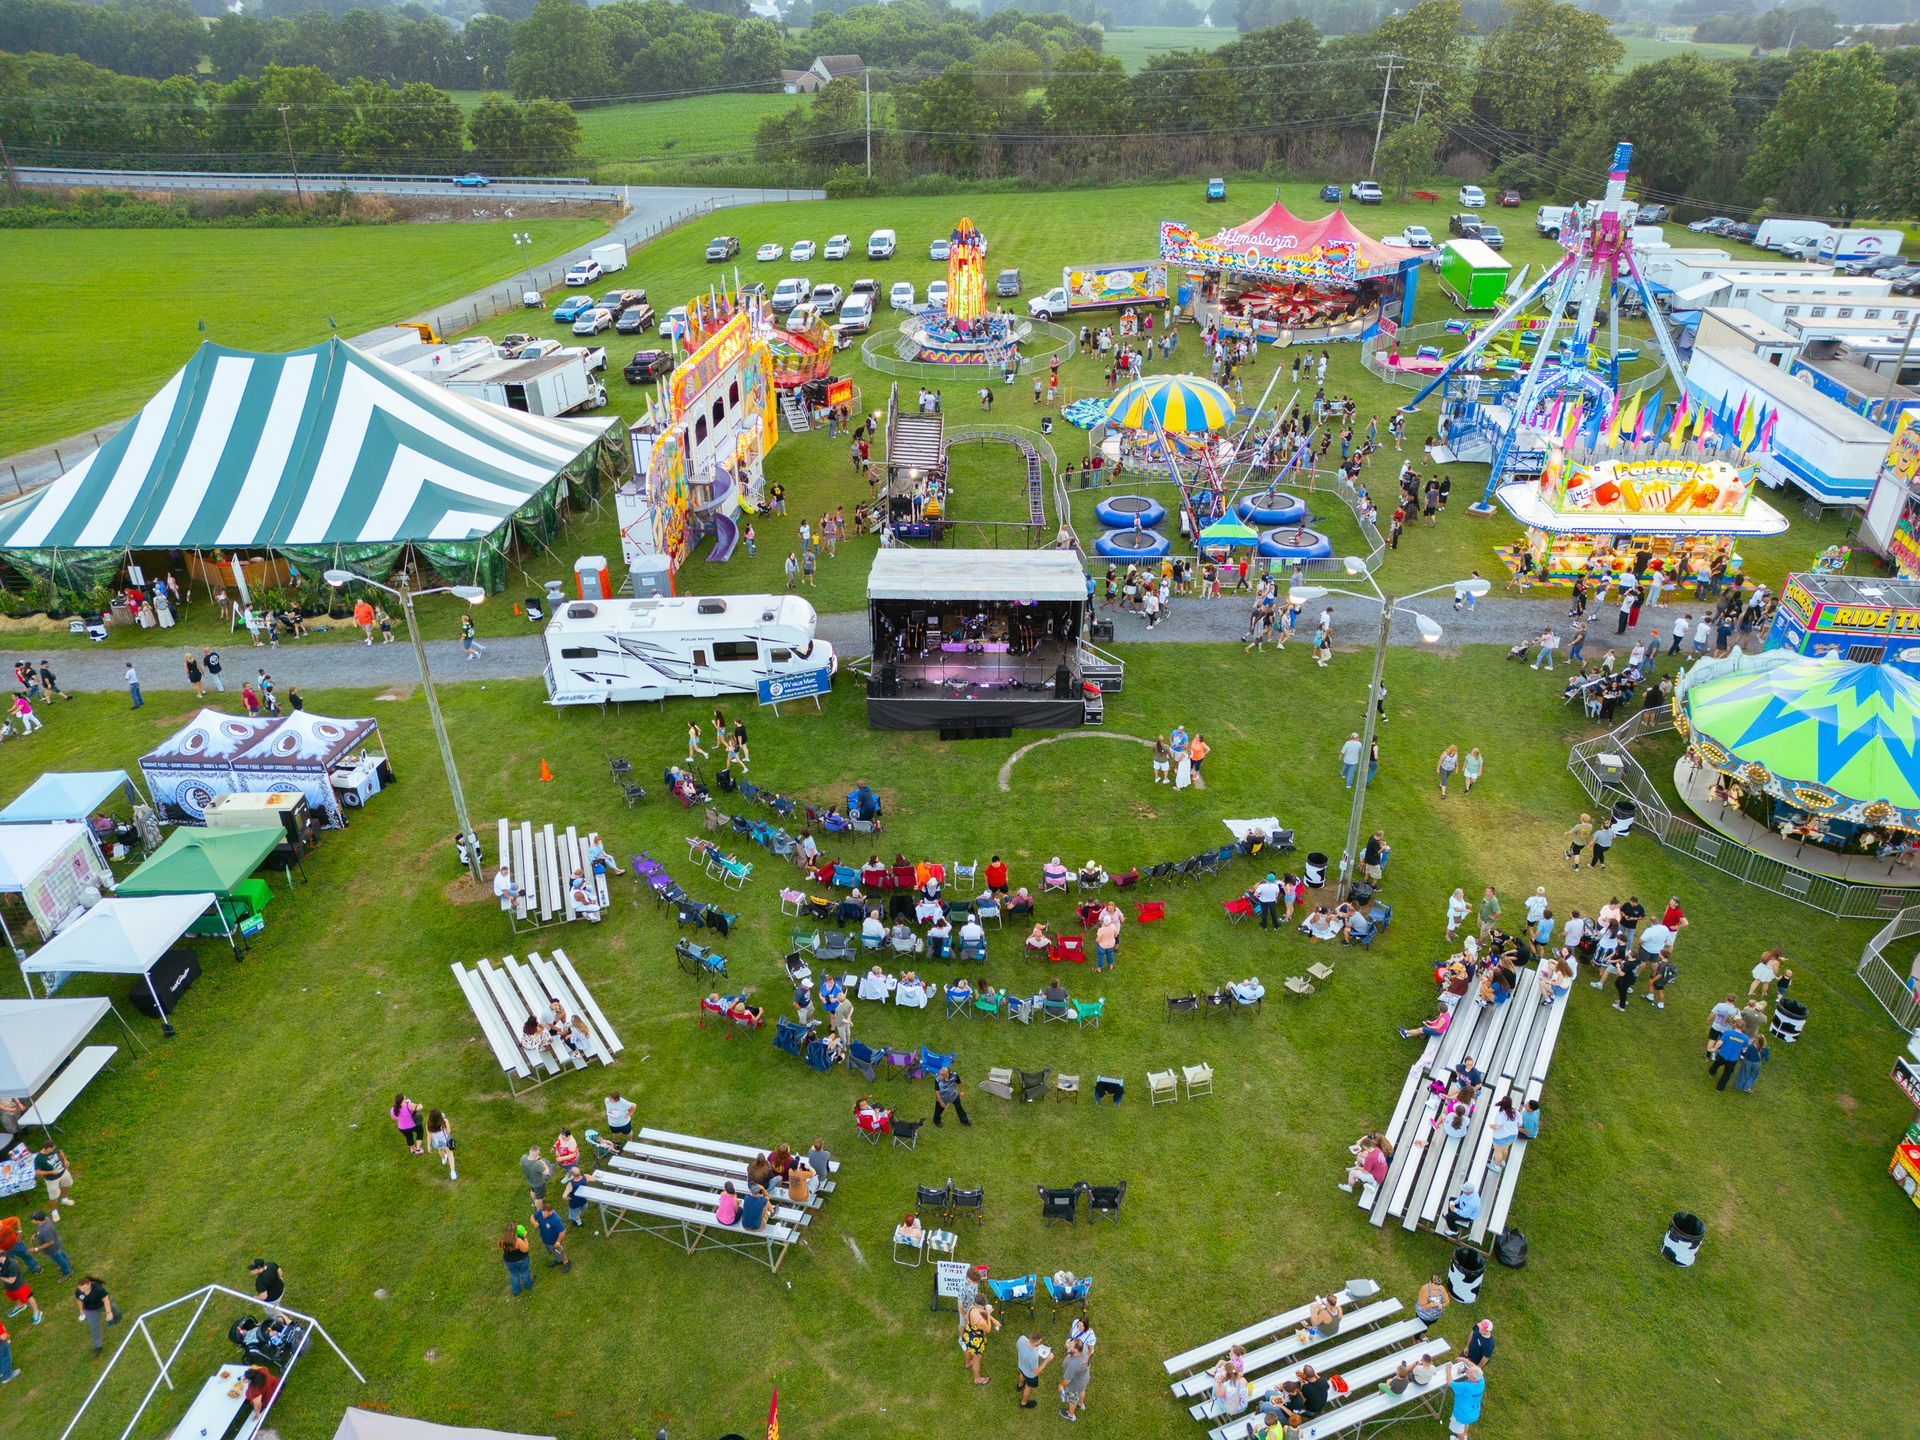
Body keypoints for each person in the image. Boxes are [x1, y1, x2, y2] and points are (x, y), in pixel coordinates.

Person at [960, 1297, 998, 1385]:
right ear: (982, 1306)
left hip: (968, 1332)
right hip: (975, 1339)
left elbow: (980, 1312)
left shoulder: (971, 1308)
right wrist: (988, 1315)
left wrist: (994, 1320)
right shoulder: (980, 1320)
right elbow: (988, 1329)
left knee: (968, 1349)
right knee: (976, 1360)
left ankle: (968, 1363)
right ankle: (977, 1379)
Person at [74, 1276, 116, 1354]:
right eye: (80, 1288)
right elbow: (79, 1300)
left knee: (114, 1309)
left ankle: (117, 1316)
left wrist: (108, 1312)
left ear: (89, 1284)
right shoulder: (79, 1291)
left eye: (84, 1288)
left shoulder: (98, 1289)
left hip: (102, 1305)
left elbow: (106, 1299)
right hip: (90, 1309)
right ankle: (98, 1346)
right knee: (94, 1327)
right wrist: (81, 1311)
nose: (82, 1290)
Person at [1708, 1023, 1753, 1091]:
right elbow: (1744, 1049)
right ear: (1743, 1028)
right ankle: (1719, 1088)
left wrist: (1715, 1048)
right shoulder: (1745, 1038)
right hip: (1733, 1059)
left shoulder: (1728, 1032)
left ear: (1735, 1025)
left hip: (1722, 1054)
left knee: (1716, 1064)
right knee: (1727, 1074)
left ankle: (1711, 1073)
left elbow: (1720, 1042)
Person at [34, 1140, 72, 1221]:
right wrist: (51, 1172)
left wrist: (65, 1160)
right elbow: (38, 1172)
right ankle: (54, 1211)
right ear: (47, 1149)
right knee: (53, 1196)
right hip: (52, 1179)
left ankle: (64, 1199)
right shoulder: (38, 1158)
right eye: (52, 1149)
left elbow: (60, 1151)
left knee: (65, 1185)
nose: (53, 1150)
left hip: (63, 1171)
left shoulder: (53, 1148)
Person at [1448, 1360, 1486, 1438]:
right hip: (1473, 1413)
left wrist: (1448, 1369)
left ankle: (1462, 1438)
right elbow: (1474, 1367)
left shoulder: (1465, 1386)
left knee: (1458, 1431)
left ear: (1474, 1378)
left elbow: (1450, 1383)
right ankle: (1465, 1435)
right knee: (1466, 1423)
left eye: (1468, 1373)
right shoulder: (1481, 1381)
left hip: (1461, 1415)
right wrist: (1464, 1359)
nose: (1466, 1371)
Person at [1016, 1330, 1052, 1409]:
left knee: (1022, 1374)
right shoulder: (1034, 1356)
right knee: (1028, 1386)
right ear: (1037, 1342)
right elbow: (1036, 1371)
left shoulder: (1022, 1338)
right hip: (1030, 1375)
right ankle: (1024, 1403)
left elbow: (1017, 1347)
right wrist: (1047, 1360)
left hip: (1021, 1365)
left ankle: (1020, 1385)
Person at [1058, 1335, 1091, 1420]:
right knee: (1082, 1390)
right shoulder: (1084, 1349)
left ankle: (1070, 1415)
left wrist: (1061, 1386)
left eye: (1071, 1346)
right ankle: (1080, 1403)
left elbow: (1067, 1380)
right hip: (1084, 1379)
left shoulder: (1072, 1364)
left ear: (1076, 1350)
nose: (1069, 1345)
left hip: (1075, 1385)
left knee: (1073, 1400)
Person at [29, 1213, 69, 1278]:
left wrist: (37, 1249)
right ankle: (67, 1264)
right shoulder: (45, 1219)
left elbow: (50, 1242)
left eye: (32, 1219)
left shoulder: (45, 1230)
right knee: (62, 1254)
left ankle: (67, 1272)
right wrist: (35, 1234)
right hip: (57, 1243)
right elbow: (40, 1231)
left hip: (53, 1249)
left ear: (38, 1221)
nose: (31, 1221)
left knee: (60, 1260)